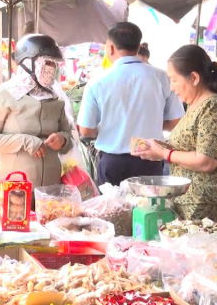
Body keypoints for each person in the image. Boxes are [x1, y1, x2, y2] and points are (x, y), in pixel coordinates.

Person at [132, 45, 217, 229]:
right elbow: (190, 146)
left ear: (194, 78)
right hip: (190, 201)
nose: (172, 88)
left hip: (208, 204)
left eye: (174, 80)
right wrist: (158, 148)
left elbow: (206, 161)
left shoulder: (213, 107)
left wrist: (164, 154)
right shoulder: (194, 105)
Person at [77, 22, 185, 186]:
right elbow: (176, 121)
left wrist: (109, 127)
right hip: (150, 159)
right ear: (139, 47)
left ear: (110, 48)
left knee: (112, 203)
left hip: (112, 163)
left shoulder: (97, 81)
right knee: (148, 202)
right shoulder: (163, 77)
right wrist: (152, 122)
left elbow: (86, 130)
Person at [0, 34, 73, 187]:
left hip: (50, 190)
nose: (52, 68)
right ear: (29, 63)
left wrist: (63, 139)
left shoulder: (55, 99)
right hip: (15, 188)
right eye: (47, 62)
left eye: (54, 63)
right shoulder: (3, 95)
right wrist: (25, 141)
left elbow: (69, 137)